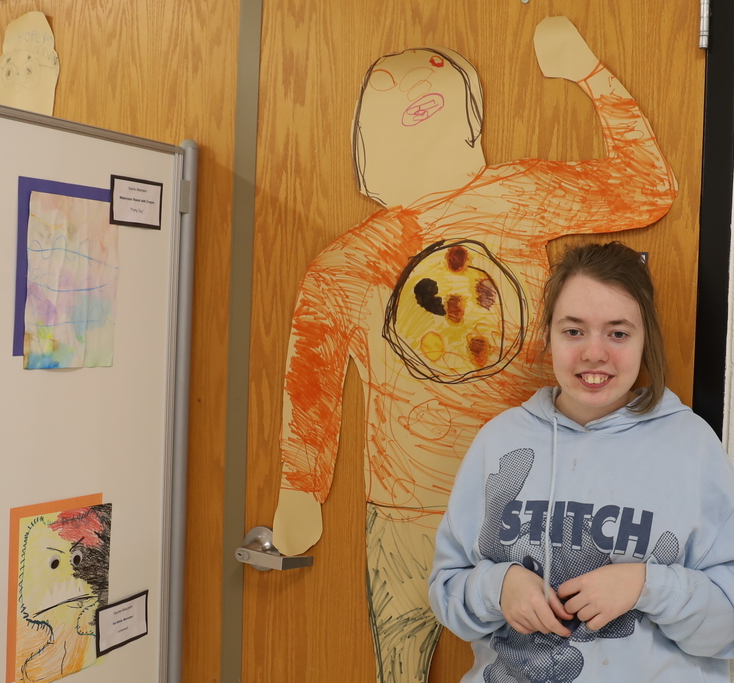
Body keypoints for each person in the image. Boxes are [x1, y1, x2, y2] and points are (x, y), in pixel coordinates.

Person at [272, 17, 677, 683]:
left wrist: (591, 75)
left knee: (531, 664)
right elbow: (310, 381)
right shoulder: (344, 263)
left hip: (515, 498)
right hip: (409, 512)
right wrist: (301, 488)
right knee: (404, 665)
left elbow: (647, 189)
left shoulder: (517, 194)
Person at [428, 242, 734, 683]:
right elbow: (446, 591)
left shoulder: (691, 448)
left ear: (646, 340)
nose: (594, 353)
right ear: (549, 334)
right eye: (574, 331)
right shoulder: (501, 442)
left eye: (618, 333)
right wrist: (498, 587)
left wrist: (647, 586)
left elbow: (731, 627)